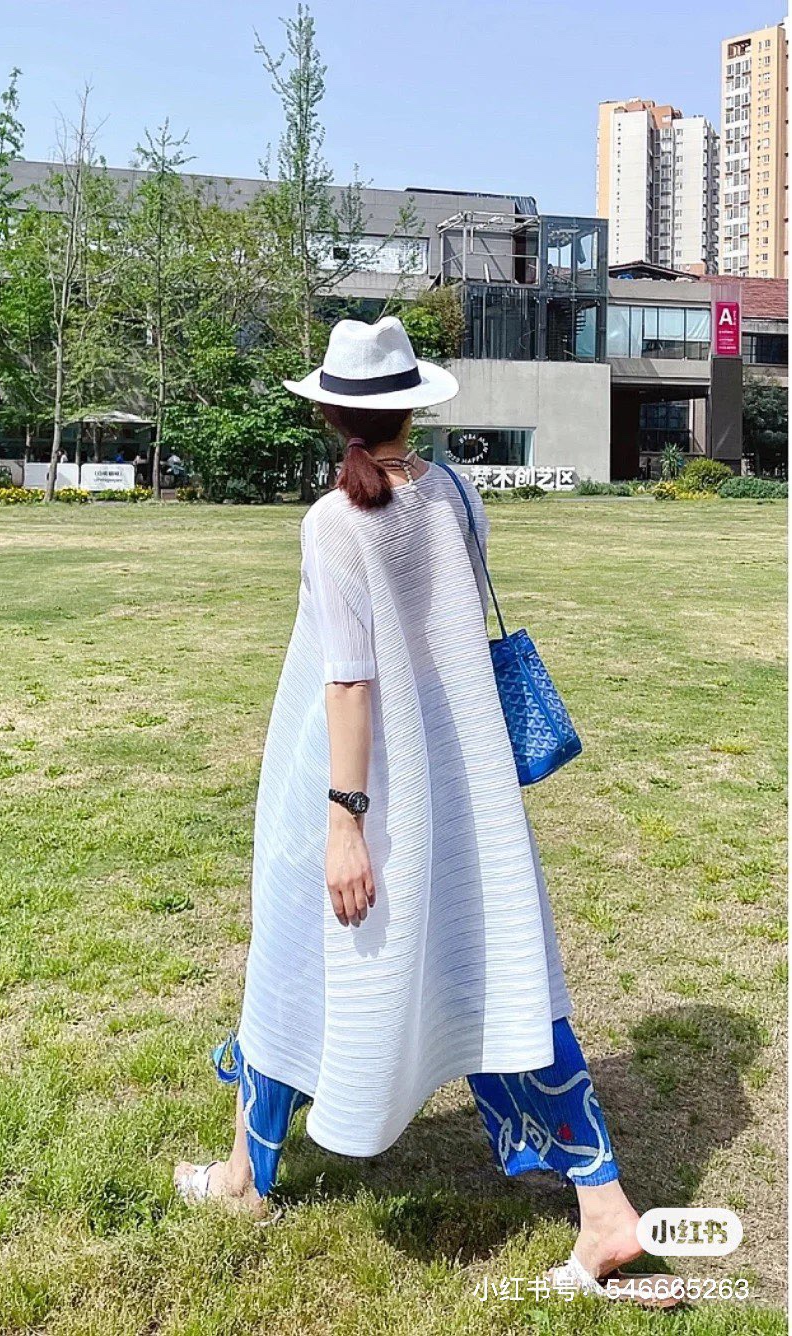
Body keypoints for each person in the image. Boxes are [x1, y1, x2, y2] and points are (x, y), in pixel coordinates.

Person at [174, 317, 676, 1307]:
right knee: (497, 979)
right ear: (412, 405)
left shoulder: (335, 522)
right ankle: (601, 1205)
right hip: (458, 784)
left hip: (356, 785)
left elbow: (349, 682)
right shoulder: (453, 493)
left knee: (295, 957)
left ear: (329, 412)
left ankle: (247, 1179)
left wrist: (345, 821)